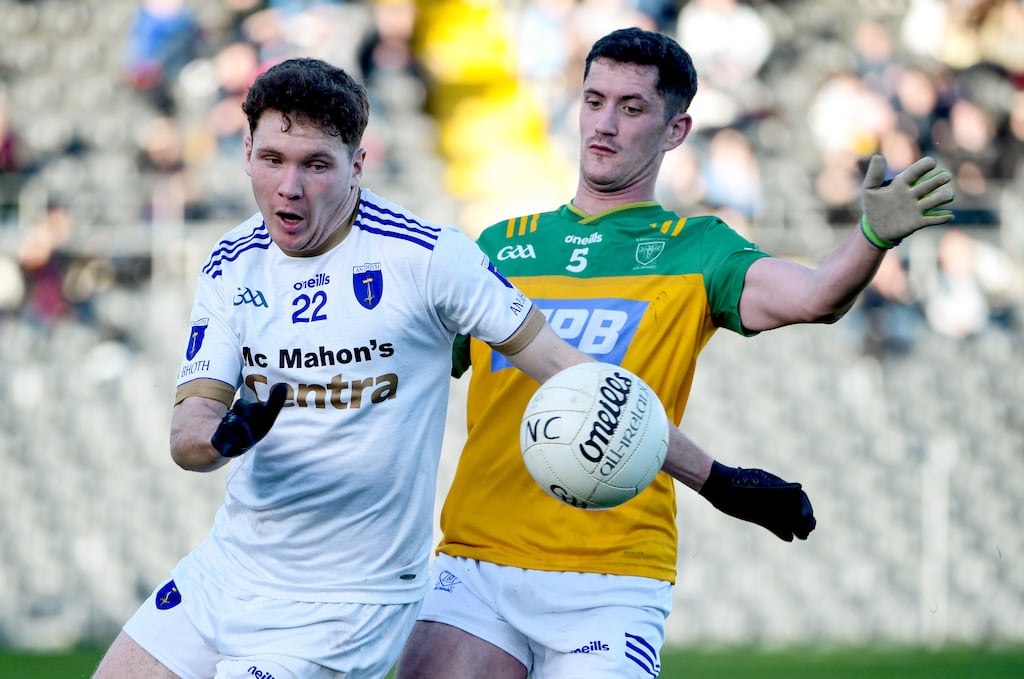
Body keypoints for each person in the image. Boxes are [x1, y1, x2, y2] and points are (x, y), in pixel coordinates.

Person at [396, 27, 954, 679]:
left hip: (613, 577)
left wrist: (869, 238)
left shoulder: (698, 249)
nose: (604, 124)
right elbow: (411, 371)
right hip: (477, 563)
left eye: (631, 108)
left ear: (675, 130)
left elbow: (816, 297)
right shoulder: (500, 244)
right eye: (594, 100)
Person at [90, 56, 599, 679]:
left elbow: (569, 370)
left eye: (316, 165)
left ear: (358, 164)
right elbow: (188, 435)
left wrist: (709, 476)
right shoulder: (230, 262)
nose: (290, 187)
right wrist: (224, 435)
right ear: (246, 149)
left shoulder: (427, 256)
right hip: (227, 569)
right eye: (273, 159)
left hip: (350, 602)